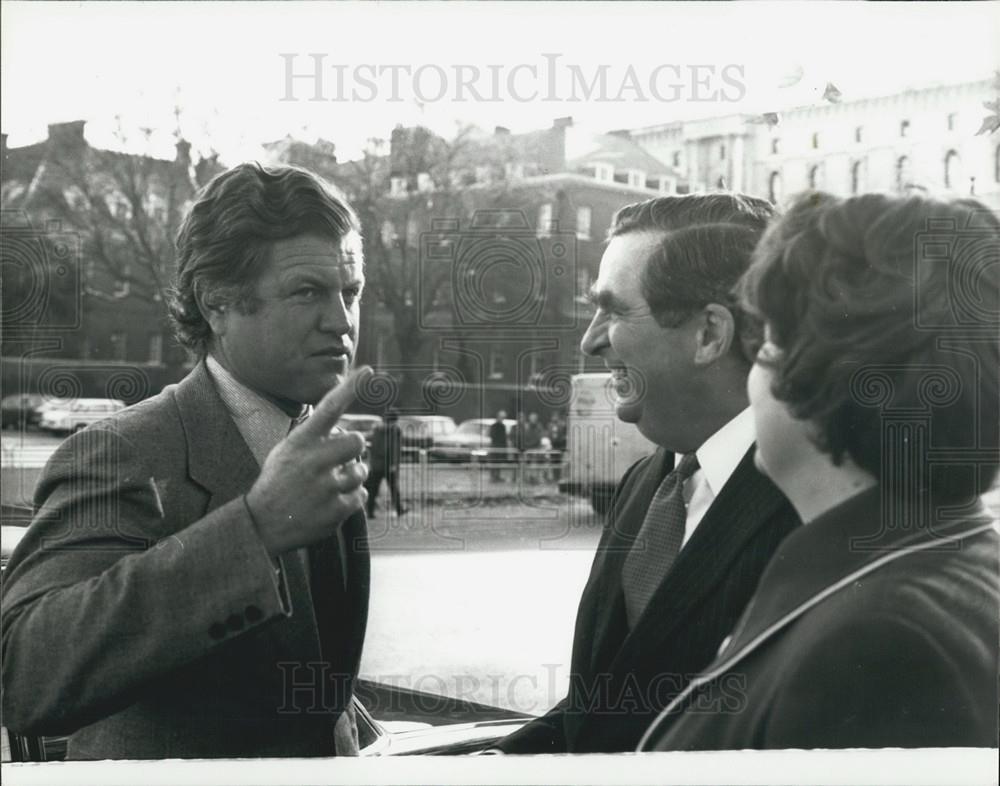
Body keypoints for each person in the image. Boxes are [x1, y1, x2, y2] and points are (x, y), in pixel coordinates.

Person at [1, 163, 373, 759]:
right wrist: (253, 530)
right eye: (309, 292)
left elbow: (303, 673)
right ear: (217, 301)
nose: (342, 321)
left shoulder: (315, 443)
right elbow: (26, 674)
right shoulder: (122, 450)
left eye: (350, 292)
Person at [642, 192, 999, 750]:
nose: (751, 382)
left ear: (820, 377)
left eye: (765, 345)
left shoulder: (879, 640)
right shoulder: (942, 562)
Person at [493, 194, 800, 754]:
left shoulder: (810, 505)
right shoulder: (649, 481)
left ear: (710, 333)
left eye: (613, 310)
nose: (589, 340)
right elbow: (605, 704)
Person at [365, 409, 406, 517]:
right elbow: (395, 449)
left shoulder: (376, 430)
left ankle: (370, 511)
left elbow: (370, 444)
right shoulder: (395, 431)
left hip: (376, 465)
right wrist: (393, 464)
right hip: (388, 465)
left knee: (373, 489)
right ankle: (399, 509)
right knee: (393, 489)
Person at [488, 409, 509, 482]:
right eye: (501, 417)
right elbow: (493, 435)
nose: (502, 419)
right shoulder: (494, 426)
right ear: (498, 417)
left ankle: (497, 476)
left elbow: (504, 438)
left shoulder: (503, 426)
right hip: (495, 447)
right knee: (494, 462)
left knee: (498, 462)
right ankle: (493, 477)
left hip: (500, 447)